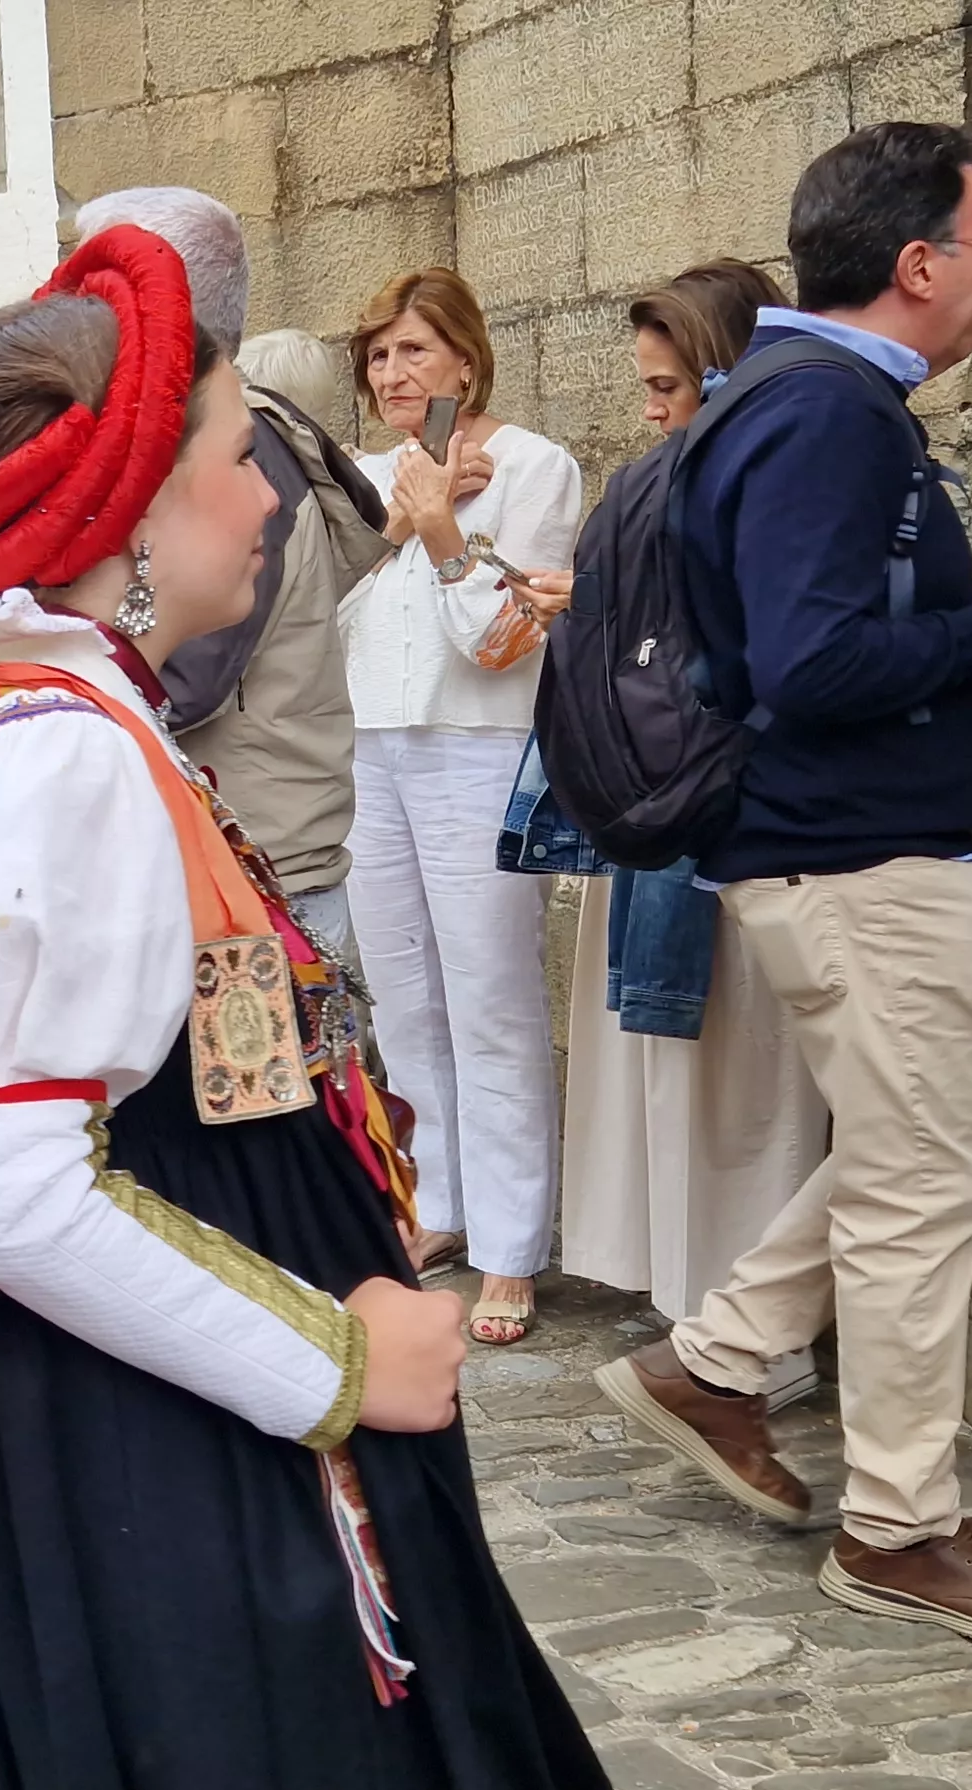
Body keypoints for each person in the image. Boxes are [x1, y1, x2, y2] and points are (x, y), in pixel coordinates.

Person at [0, 224, 636, 1790]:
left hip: (120, 1387)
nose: (262, 496)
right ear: (136, 514)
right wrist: (336, 1358)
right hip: (107, 1415)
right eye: (236, 460)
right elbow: (11, 1185)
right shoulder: (54, 755)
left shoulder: (84, 713)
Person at [592, 121, 972, 1642]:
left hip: (854, 849)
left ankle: (716, 1359)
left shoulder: (808, 401)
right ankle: (900, 1527)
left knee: (949, 1129)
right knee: (920, 1170)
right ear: (916, 263)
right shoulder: (829, 415)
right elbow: (811, 659)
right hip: (855, 856)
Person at [552, 261, 832, 1359]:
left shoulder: (752, 481)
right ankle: (708, 1327)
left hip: (732, 813)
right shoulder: (655, 484)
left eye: (669, 386)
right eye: (647, 386)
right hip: (678, 808)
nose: (653, 408)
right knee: (692, 1085)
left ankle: (737, 1334)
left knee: (748, 1092)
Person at [337, 265, 584, 1345]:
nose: (394, 372)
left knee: (489, 996)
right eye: (380, 355)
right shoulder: (358, 475)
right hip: (369, 746)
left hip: (475, 747)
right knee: (401, 993)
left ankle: (512, 1244)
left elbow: (499, 641)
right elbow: (316, 620)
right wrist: (401, 516)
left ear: (465, 360)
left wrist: (444, 532)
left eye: (415, 351)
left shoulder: (534, 466)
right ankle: (436, 1201)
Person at [80, 187, 390, 1035]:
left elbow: (180, 672)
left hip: (260, 892)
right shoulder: (215, 447)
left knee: (285, 1154)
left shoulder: (242, 462)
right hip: (237, 876)